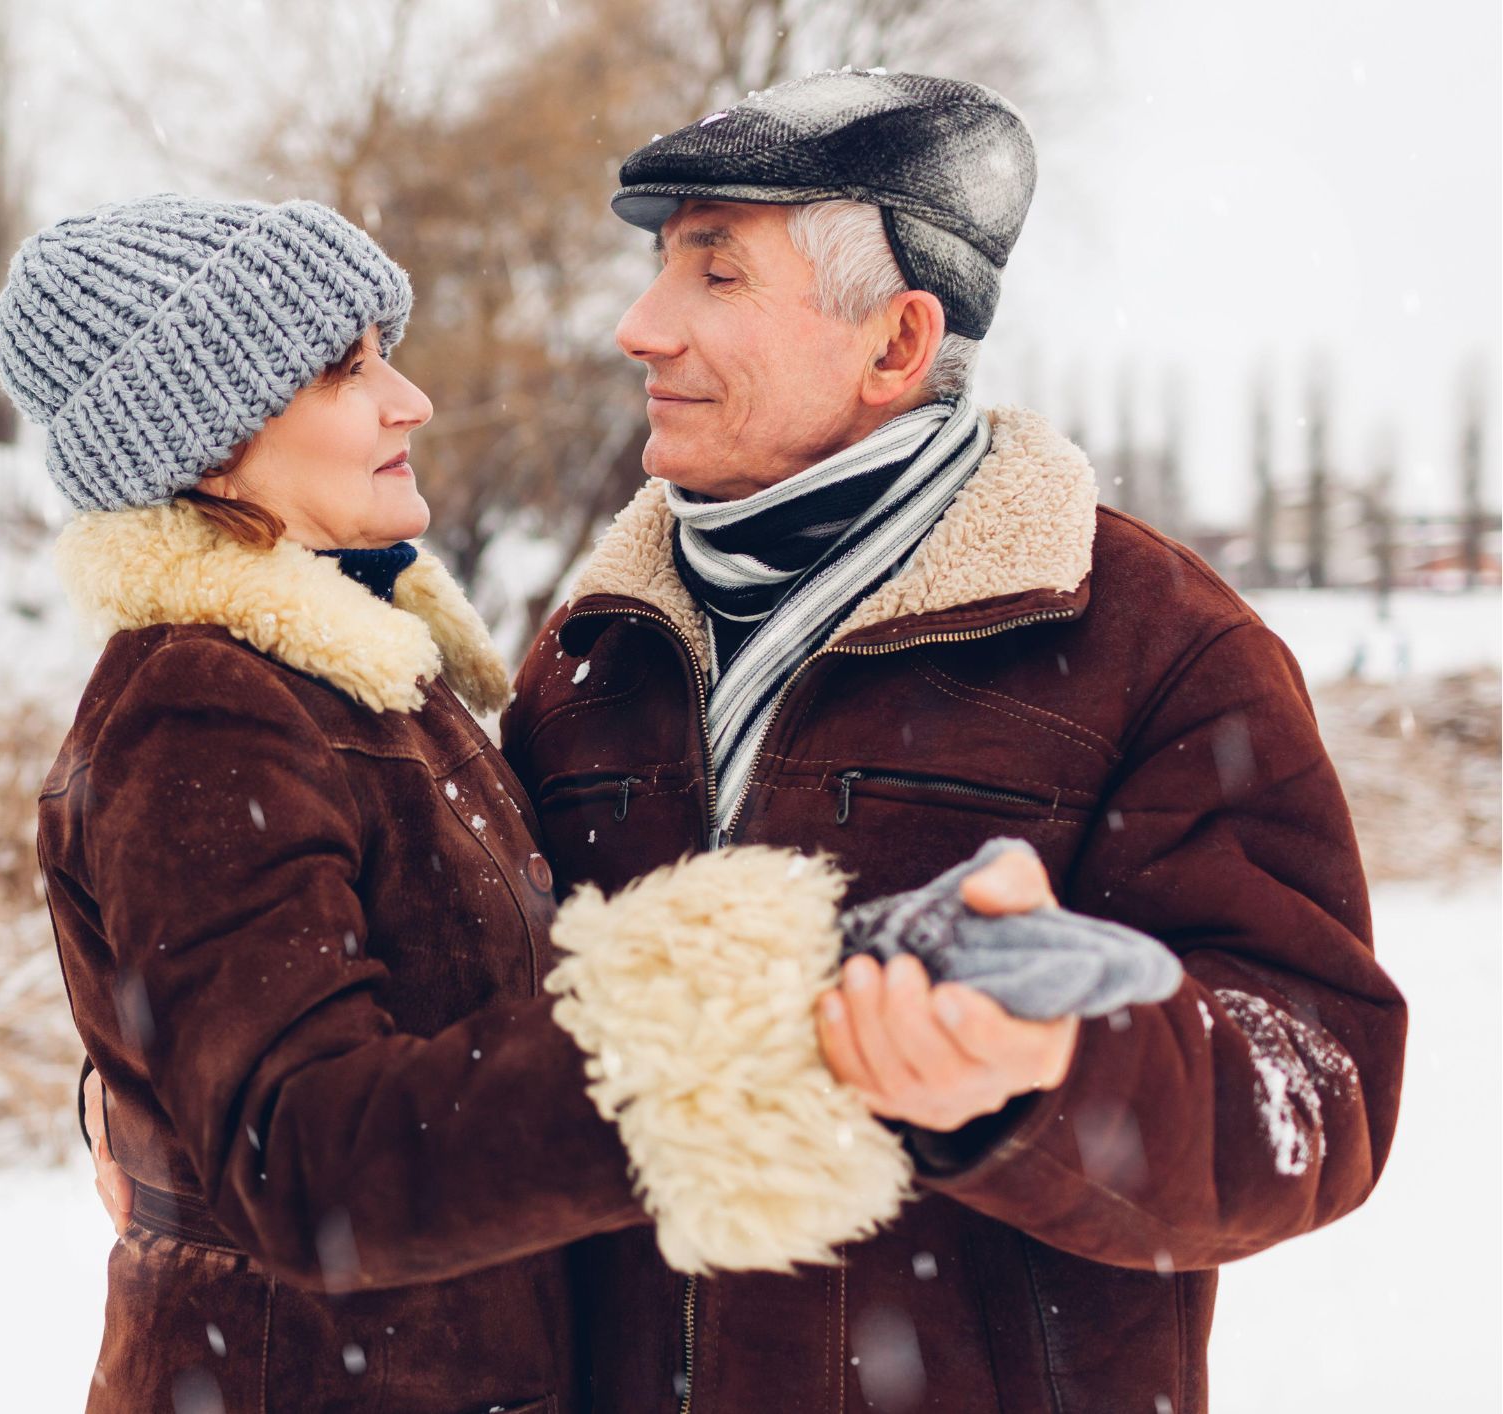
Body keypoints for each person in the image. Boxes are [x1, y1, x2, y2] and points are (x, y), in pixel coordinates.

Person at [501, 70, 1406, 1411]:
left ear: (894, 343)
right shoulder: (591, 651)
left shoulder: (1156, 647)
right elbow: (458, 1007)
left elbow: (1317, 1088)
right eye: (657, 272)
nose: (642, 328)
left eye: (716, 276)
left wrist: (1053, 1078)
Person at [0, 194, 914, 1412]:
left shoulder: (354, 675)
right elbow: (305, 1159)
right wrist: (662, 1043)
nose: (407, 399)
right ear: (205, 438)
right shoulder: (204, 707)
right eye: (345, 371)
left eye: (388, 355)